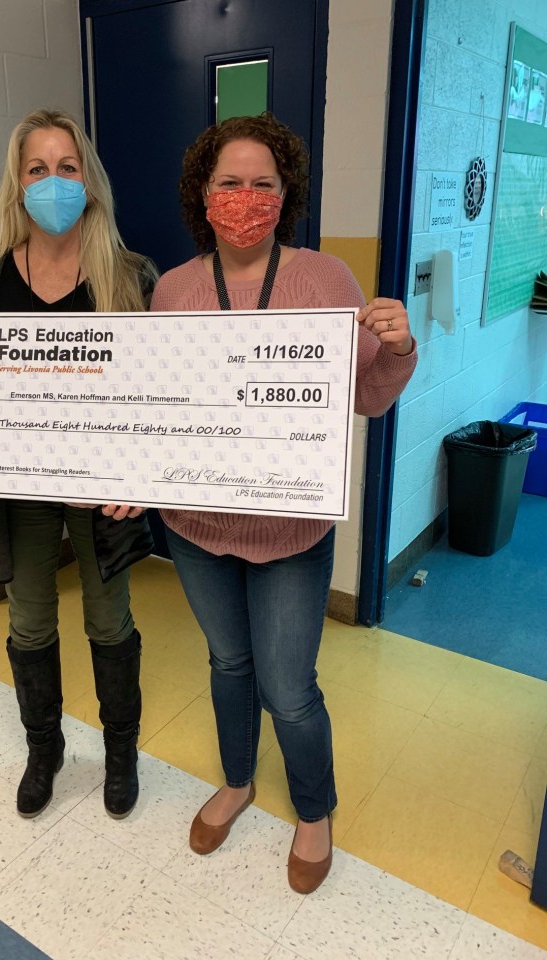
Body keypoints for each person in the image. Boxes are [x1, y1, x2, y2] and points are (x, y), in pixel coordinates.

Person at [150, 113, 416, 894]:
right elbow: (157, 408)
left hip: (291, 532)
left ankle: (314, 810)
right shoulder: (172, 290)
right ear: (203, 195)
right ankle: (237, 781)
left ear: (285, 193)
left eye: (262, 183)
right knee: (228, 662)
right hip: (197, 528)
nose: (246, 197)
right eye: (229, 182)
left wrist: (399, 347)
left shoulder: (326, 280)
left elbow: (368, 396)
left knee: (290, 690)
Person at [0, 109, 156, 821]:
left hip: (100, 490)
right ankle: (43, 750)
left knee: (109, 620)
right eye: (38, 168)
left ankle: (120, 754)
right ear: (17, 183)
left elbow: (153, 392)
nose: (54, 181)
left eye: (68, 167)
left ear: (89, 180)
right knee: (27, 622)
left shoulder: (130, 276)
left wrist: (140, 473)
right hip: (17, 487)